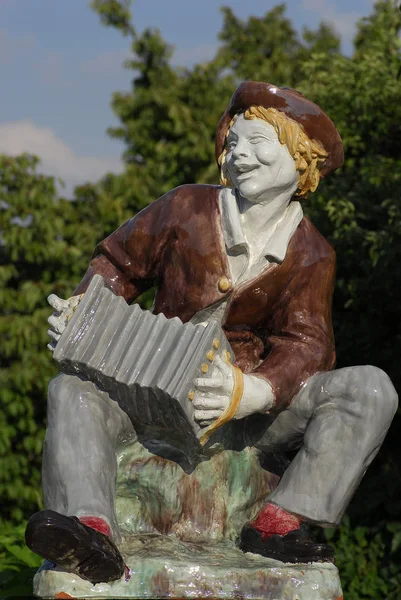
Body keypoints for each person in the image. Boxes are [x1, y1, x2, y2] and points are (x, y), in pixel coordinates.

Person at [26, 81, 398, 583]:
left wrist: (253, 390)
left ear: (302, 157)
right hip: (147, 395)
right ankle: (91, 531)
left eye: (257, 142)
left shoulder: (313, 253)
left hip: (245, 413)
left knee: (370, 388)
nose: (239, 153)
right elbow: (117, 264)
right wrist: (82, 314)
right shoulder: (184, 207)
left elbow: (308, 344)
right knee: (69, 391)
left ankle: (280, 522)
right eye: (233, 142)